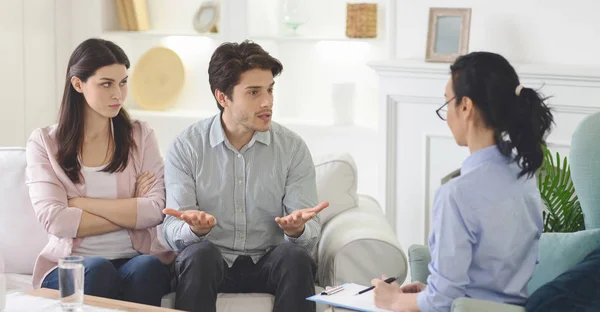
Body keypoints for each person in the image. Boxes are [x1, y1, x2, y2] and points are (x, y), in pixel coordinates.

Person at [371, 52, 554, 311]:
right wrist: (427, 294)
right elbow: (483, 287)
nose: (447, 115)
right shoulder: (523, 177)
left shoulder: (456, 194)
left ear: (465, 106)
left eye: (447, 102)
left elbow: (442, 304)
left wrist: (394, 299)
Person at [162, 40, 329, 312]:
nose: (267, 102)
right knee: (199, 255)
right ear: (222, 97)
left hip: (269, 262)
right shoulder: (187, 146)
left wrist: (297, 230)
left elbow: (308, 235)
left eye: (270, 90)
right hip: (210, 262)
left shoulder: (292, 148)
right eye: (253, 92)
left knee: (295, 257)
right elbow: (171, 231)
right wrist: (193, 229)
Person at [25, 38, 175, 306]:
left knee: (148, 268)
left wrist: (82, 205)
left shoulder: (140, 136)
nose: (118, 94)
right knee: (98, 270)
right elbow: (56, 221)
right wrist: (131, 213)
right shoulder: (45, 143)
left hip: (133, 259)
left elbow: (154, 211)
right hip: (72, 266)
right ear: (78, 84)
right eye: (106, 84)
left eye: (123, 82)